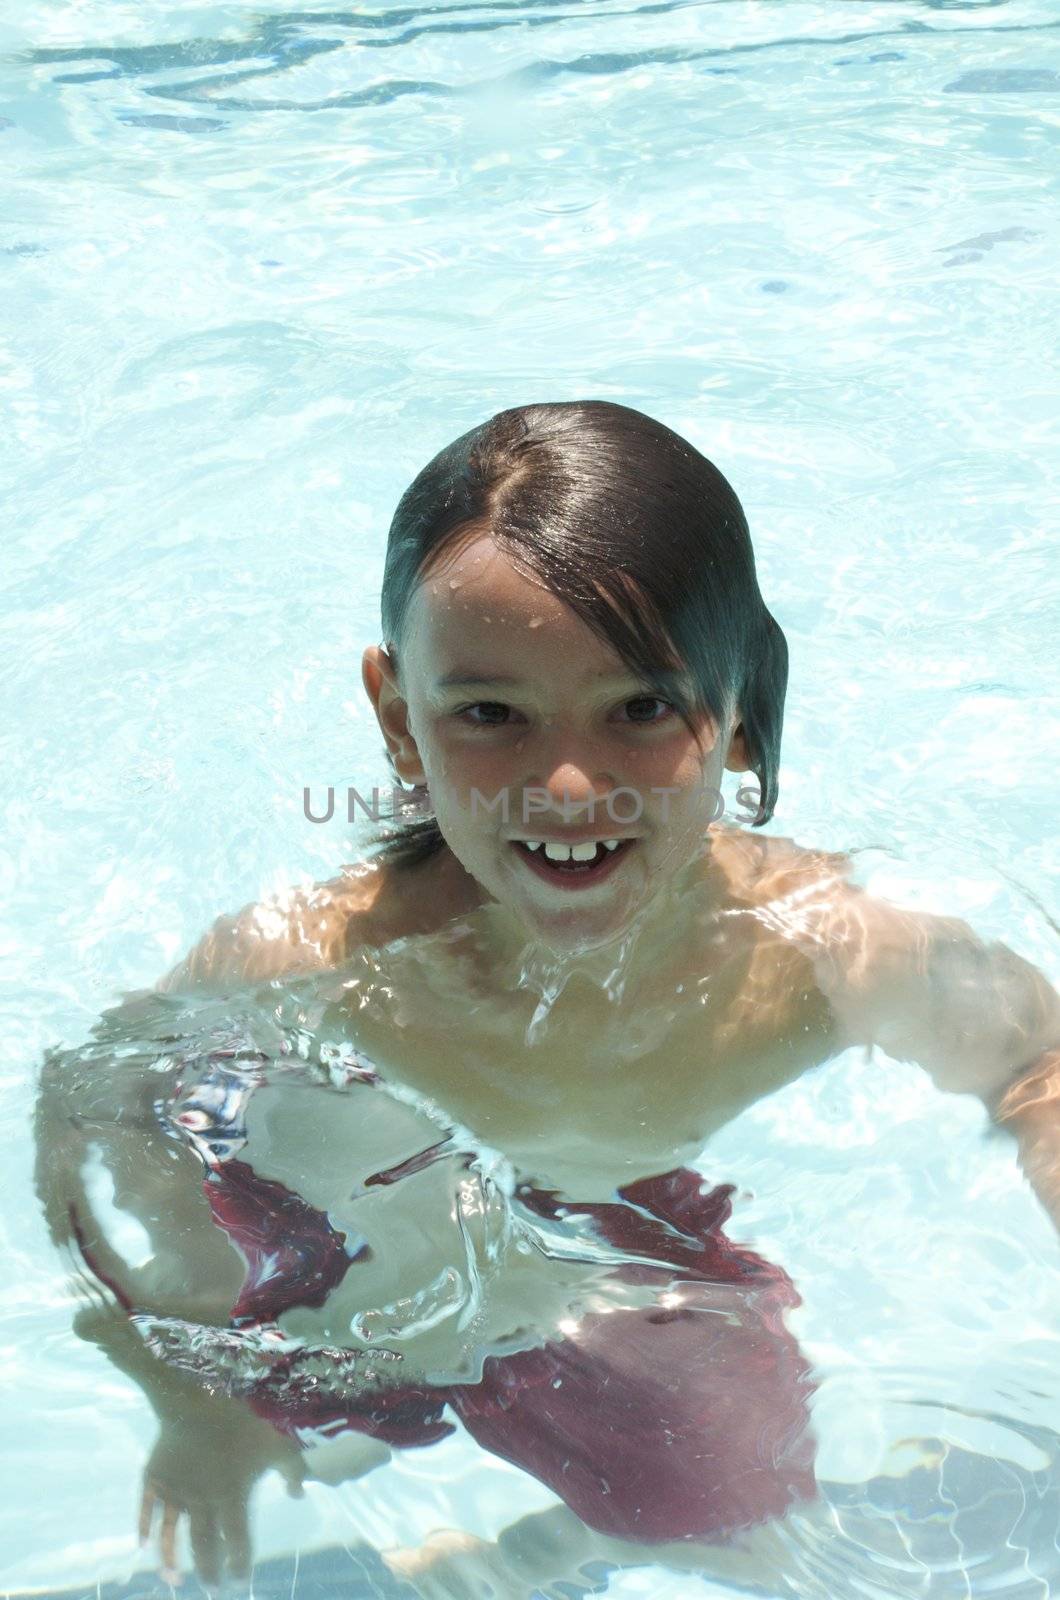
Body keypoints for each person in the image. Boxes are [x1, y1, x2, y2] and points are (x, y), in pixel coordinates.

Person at [36, 400, 1060, 1597]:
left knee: (738, 1501)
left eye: (639, 708)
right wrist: (191, 1391)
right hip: (325, 1238)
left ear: (738, 715)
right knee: (325, 1437)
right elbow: (99, 1107)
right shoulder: (306, 959)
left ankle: (543, 1554)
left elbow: (1035, 1068)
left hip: (607, 1232)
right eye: (488, 715)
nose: (568, 784)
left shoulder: (823, 955)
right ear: (396, 718)